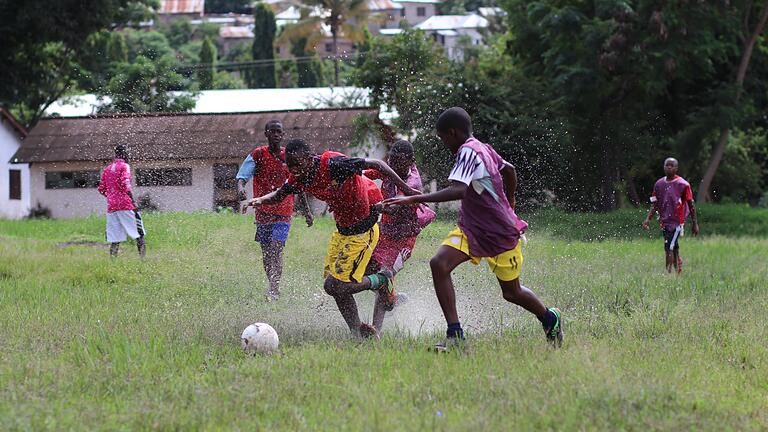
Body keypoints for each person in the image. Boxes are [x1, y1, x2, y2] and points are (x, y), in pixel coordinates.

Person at [384, 107, 562, 351]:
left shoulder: (467, 151)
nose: (444, 143)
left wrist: (412, 199)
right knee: (439, 263)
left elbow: (459, 190)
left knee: (512, 292)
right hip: (472, 228)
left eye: (443, 137)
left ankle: (549, 318)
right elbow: (509, 170)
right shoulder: (483, 147)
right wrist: (510, 201)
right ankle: (455, 336)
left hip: (500, 232)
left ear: (453, 133)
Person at [245, 138, 419, 339]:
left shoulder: (333, 163)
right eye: (289, 166)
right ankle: (358, 332)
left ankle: (379, 281)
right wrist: (259, 200)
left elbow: (378, 165)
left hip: (363, 230)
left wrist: (406, 190)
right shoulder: (300, 177)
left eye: (297, 165)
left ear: (309, 159)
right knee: (333, 286)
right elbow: (281, 193)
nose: (294, 170)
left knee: (334, 285)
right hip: (343, 232)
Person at [363, 139, 436, 332]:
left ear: (411, 160)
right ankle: (392, 299)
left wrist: (379, 206)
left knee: (384, 276)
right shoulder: (389, 168)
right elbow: (365, 172)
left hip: (404, 240)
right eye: (391, 161)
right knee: (366, 271)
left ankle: (375, 331)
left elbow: (398, 204)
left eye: (399, 162)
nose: (393, 165)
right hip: (383, 234)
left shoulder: (414, 182)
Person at [237, 120, 313, 301]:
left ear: (283, 134)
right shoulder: (258, 154)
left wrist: (307, 211)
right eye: (273, 131)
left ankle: (274, 287)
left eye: (279, 132)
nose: (277, 135)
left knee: (276, 247)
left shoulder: (289, 156)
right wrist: (240, 188)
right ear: (266, 134)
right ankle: (271, 282)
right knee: (266, 252)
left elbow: (298, 183)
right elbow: (242, 175)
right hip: (262, 211)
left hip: (284, 211)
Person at [642, 157, 700, 274]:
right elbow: (655, 204)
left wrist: (695, 223)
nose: (669, 167)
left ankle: (668, 274)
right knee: (673, 246)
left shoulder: (683, 185)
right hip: (665, 221)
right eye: (667, 165)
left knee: (669, 247)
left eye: (671, 165)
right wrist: (648, 219)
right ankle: (678, 268)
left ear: (676, 168)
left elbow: (691, 205)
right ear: (663, 167)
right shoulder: (659, 184)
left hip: (677, 222)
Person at [97, 144, 146, 258]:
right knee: (139, 234)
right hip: (126, 204)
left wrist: (112, 197)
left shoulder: (107, 169)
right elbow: (126, 184)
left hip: (112, 207)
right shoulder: (125, 166)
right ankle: (143, 261)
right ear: (125, 154)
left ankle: (113, 264)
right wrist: (133, 202)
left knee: (115, 238)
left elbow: (101, 189)